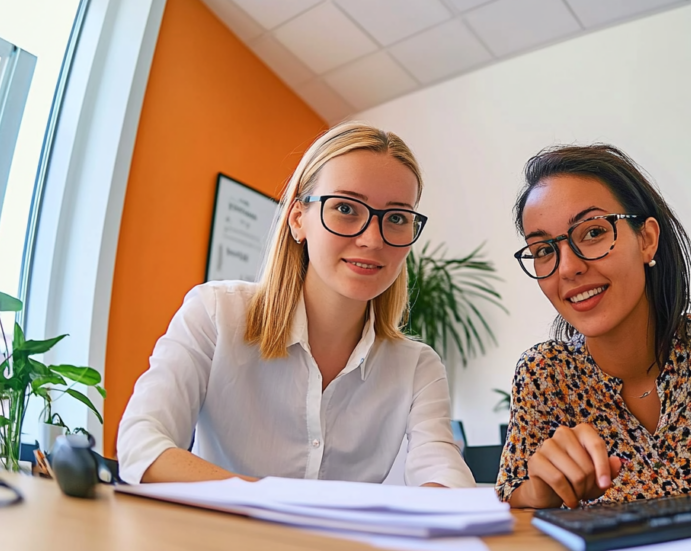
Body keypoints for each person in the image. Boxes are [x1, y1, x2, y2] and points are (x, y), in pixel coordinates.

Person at [117, 123, 474, 488]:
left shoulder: (417, 366)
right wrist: (269, 499)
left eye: (397, 218)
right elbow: (140, 445)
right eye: (346, 208)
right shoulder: (214, 313)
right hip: (221, 540)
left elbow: (444, 473)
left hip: (342, 547)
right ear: (298, 219)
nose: (371, 239)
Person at [497, 144, 691, 508]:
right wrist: (542, 490)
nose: (567, 268)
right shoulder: (545, 375)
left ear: (646, 240)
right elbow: (515, 494)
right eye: (543, 250)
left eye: (592, 232)